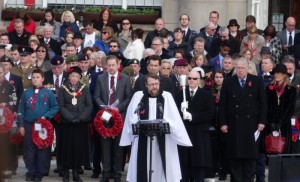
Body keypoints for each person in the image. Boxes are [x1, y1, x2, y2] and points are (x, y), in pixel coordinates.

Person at [120, 73, 192, 182]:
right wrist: (136, 122)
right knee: (143, 164)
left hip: (163, 138)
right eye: (152, 84)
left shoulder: (166, 96)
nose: (155, 86)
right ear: (146, 85)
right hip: (143, 138)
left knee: (163, 165)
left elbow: (174, 117)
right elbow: (132, 116)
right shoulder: (139, 96)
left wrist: (167, 123)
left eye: (156, 84)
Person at [218, 57, 267, 182]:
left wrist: (262, 121)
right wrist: (222, 123)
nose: (240, 71)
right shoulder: (229, 81)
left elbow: (263, 103)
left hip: (251, 125)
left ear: (248, 68)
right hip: (233, 124)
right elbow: (223, 104)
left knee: (250, 158)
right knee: (235, 157)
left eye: (242, 68)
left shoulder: (257, 81)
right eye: (238, 68)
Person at [94, 55, 132, 182]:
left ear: (118, 65)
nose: (111, 67)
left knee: (118, 148)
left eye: (113, 65)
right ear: (106, 66)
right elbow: (97, 96)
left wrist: (118, 108)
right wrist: (104, 108)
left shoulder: (125, 79)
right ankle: (106, 173)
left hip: (119, 117)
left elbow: (128, 97)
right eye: (108, 65)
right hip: (104, 118)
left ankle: (116, 174)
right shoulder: (100, 78)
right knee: (105, 147)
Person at [17, 69, 59, 182]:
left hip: (42, 126)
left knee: (41, 148)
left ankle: (40, 172)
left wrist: (45, 117)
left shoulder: (48, 92)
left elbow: (55, 107)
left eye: (37, 77)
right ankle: (30, 171)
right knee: (29, 148)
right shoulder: (26, 92)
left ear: (42, 79)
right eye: (33, 77)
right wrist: (20, 125)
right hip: (29, 124)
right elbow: (21, 109)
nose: (35, 79)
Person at [176, 70, 214, 181]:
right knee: (184, 166)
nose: (192, 81)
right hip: (184, 133)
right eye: (190, 78)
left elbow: (209, 114)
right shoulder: (180, 94)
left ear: (199, 80)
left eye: (195, 78)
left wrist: (192, 116)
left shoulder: (206, 95)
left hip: (199, 135)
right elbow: (174, 114)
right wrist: (181, 109)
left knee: (198, 167)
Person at [58, 66, 93, 182]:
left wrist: (81, 118)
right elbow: (61, 106)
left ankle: (76, 172)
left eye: (77, 76)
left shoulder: (84, 88)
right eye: (72, 76)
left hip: (80, 123)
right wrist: (71, 118)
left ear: (80, 77)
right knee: (67, 148)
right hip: (67, 123)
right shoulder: (63, 88)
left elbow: (89, 105)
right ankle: (66, 172)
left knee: (78, 148)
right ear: (69, 76)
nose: (74, 78)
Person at [266, 64, 296, 153]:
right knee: (271, 151)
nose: (276, 75)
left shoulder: (291, 89)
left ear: (284, 75)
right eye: (275, 73)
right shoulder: (269, 89)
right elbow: (266, 107)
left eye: (279, 73)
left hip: (284, 125)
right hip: (271, 125)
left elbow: (290, 109)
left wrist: (280, 124)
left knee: (284, 151)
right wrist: (271, 124)